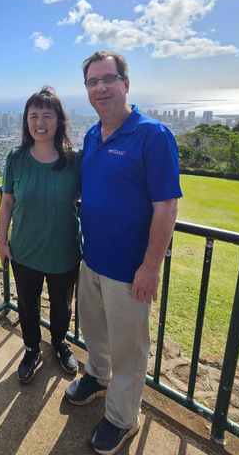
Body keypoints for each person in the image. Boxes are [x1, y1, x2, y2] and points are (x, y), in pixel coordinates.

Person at [65, 51, 181, 454]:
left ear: (125, 84)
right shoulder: (92, 136)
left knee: (129, 349)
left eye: (108, 79)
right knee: (95, 332)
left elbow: (167, 206)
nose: (100, 88)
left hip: (130, 269)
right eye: (92, 82)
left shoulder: (153, 135)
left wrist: (150, 267)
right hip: (93, 259)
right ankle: (97, 377)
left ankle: (122, 418)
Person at [0, 85, 82, 384]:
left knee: (62, 305)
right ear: (26, 121)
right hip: (24, 249)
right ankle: (32, 348)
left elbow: (89, 197)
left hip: (64, 249)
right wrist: (2, 242)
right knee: (27, 305)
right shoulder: (16, 158)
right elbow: (7, 203)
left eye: (47, 115)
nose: (40, 122)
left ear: (59, 121)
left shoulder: (75, 160)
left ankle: (59, 342)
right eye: (33, 116)